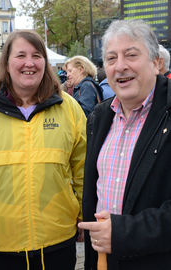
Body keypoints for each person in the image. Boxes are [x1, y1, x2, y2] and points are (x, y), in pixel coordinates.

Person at [0, 30, 87, 270]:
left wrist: (83, 213)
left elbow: (83, 170)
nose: (29, 63)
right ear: (6, 63)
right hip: (1, 239)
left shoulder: (68, 107)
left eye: (37, 55)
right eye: (21, 55)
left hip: (58, 237)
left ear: (45, 63)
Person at [79, 19, 171, 269]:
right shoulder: (99, 117)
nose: (120, 66)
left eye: (131, 55)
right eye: (111, 58)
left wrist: (122, 233)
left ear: (156, 63)